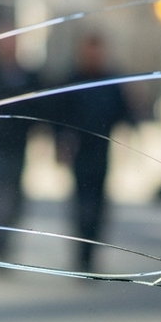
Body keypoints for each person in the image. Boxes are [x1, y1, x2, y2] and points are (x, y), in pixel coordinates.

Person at [52, 34, 133, 272]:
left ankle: (91, 253)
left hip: (101, 151)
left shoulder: (110, 80)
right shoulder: (73, 79)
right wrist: (60, 144)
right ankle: (81, 253)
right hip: (79, 150)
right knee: (81, 205)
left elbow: (123, 113)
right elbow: (59, 116)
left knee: (98, 205)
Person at [0, 31, 40, 261]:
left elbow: (37, 112)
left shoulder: (28, 76)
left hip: (18, 147)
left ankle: (5, 244)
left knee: (14, 197)